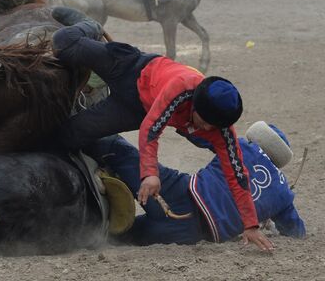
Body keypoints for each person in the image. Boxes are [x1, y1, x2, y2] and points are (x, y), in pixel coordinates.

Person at [50, 14, 273, 251]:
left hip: (133, 110)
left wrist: (250, 224)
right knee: (64, 42)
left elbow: (237, 174)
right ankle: (90, 25)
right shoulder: (182, 87)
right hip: (131, 68)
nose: (207, 130)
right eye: (204, 122)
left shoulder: (221, 127)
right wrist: (150, 174)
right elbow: (151, 128)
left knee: (69, 135)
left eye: (214, 127)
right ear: (195, 105)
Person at [85, 124, 305, 246]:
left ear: (257, 139)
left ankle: (71, 136)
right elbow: (296, 232)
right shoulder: (284, 194)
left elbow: (203, 136)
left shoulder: (242, 147)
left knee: (119, 151)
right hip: (191, 234)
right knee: (116, 236)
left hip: (181, 193)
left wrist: (181, 123)